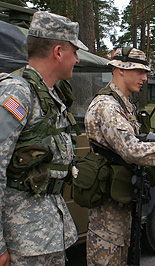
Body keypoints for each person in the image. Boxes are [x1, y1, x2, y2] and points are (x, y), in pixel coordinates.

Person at [84, 47, 155, 266]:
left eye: (145, 71)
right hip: (108, 207)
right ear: (120, 70)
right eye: (138, 70)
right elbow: (132, 150)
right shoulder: (107, 106)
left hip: (121, 200)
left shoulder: (123, 105)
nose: (144, 77)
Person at [0, 11, 88, 265]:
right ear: (58, 52)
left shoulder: (49, 95)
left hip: (46, 233)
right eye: (74, 51)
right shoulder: (17, 93)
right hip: (23, 239)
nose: (77, 59)